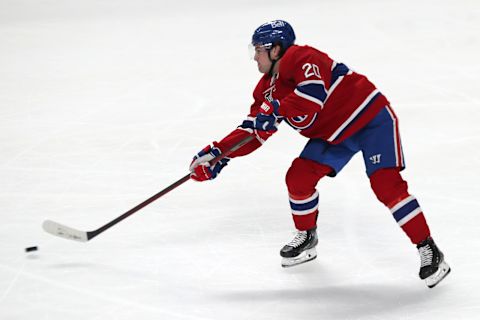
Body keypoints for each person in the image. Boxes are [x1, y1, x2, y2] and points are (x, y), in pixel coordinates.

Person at [189, 20, 450, 288]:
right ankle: (306, 237)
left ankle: (428, 249)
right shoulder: (265, 90)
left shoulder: (302, 57)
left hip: (370, 120)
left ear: (276, 49)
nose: (254, 57)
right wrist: (220, 153)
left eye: (259, 50)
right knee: (298, 177)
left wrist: (276, 109)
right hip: (334, 136)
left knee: (386, 185)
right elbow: (254, 131)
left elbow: (312, 97)